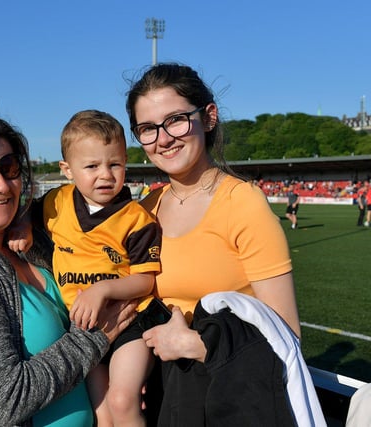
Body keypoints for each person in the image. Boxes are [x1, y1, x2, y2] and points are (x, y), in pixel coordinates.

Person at [126, 63, 325, 425]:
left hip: (224, 399)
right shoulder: (143, 210)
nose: (163, 138)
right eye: (148, 129)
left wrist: (193, 345)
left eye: (176, 120)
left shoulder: (243, 202)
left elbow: (287, 335)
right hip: (161, 394)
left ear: (209, 116)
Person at [0, 112, 137, 427]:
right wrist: (95, 337)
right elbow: (8, 399)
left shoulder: (34, 243)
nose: (1, 185)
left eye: (9, 168)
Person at [28, 110, 162, 427]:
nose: (105, 175)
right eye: (92, 166)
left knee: (122, 401)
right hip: (82, 329)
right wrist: (22, 227)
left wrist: (102, 290)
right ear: (67, 170)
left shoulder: (136, 219)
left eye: (114, 164)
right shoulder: (54, 203)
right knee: (102, 414)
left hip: (129, 324)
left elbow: (144, 281)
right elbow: (24, 216)